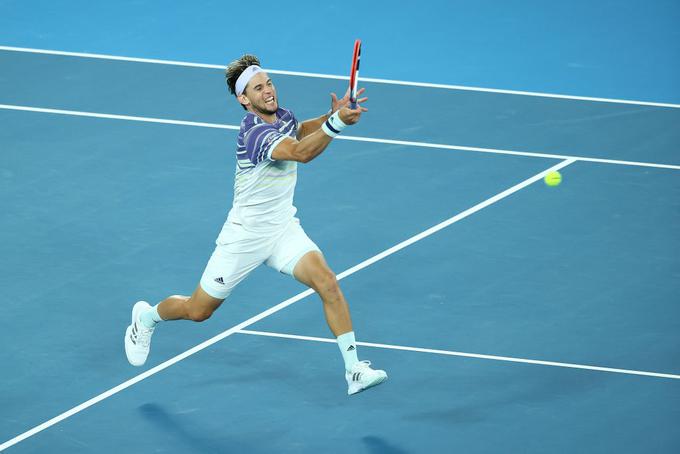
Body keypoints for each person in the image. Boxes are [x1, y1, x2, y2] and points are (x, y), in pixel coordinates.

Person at [124, 54, 387, 395]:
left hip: (282, 229)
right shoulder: (253, 134)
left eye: (269, 83)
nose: (268, 91)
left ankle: (354, 370)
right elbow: (301, 152)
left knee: (328, 283)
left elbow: (300, 130)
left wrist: (330, 116)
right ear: (244, 99)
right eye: (258, 88)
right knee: (199, 310)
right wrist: (336, 124)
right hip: (244, 237)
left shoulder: (282, 116)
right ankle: (146, 318)